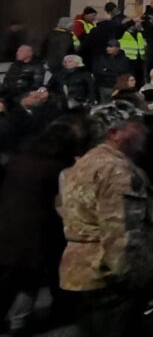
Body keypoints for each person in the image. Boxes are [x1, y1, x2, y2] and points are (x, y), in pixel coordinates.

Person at [59, 101, 153, 336]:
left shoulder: (86, 162)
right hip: (107, 277)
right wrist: (132, 277)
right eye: (136, 125)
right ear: (114, 133)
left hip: (80, 272)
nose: (143, 131)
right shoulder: (115, 169)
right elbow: (120, 230)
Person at [0, 114, 88, 334]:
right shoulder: (59, 167)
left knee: (12, 280)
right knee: (28, 279)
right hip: (36, 232)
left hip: (7, 227)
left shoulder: (20, 158)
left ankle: (15, 321)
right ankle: (19, 323)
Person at [117, 20, 148, 87]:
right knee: (129, 81)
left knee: (139, 81)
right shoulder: (122, 34)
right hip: (128, 60)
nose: (136, 25)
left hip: (140, 61)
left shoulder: (139, 33)